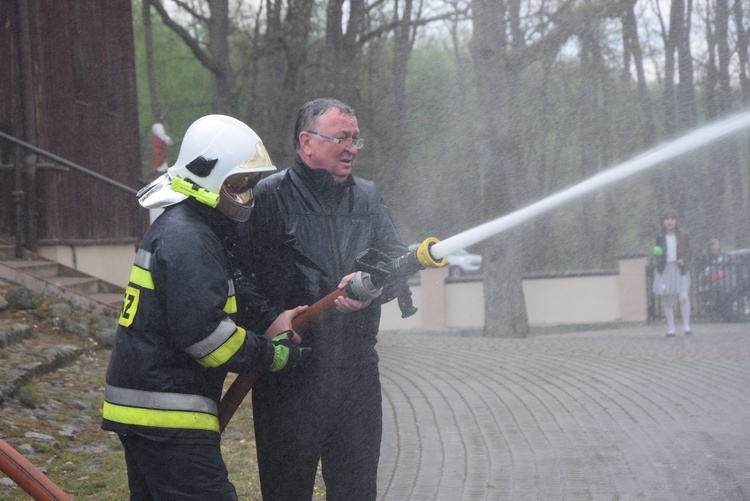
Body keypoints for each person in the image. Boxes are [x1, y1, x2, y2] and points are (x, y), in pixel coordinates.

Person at [101, 114, 310, 500]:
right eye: (237, 183)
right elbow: (206, 338)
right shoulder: (189, 238)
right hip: (167, 412)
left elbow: (225, 293)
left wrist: (270, 320)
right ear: (209, 177)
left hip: (151, 408)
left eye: (249, 184)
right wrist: (271, 355)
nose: (245, 193)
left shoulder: (193, 226)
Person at [236, 98, 409, 500]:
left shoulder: (367, 197)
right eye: (340, 138)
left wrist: (373, 290)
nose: (351, 148)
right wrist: (268, 318)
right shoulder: (269, 196)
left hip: (356, 373)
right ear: (306, 141)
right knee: (286, 489)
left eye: (355, 139)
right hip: (291, 373)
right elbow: (238, 275)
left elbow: (397, 262)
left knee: (356, 489)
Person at [652, 208, 692, 337]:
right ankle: (671, 328)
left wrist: (683, 259)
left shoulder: (683, 235)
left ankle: (686, 326)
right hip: (665, 272)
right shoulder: (660, 236)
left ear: (676, 221)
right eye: (667, 219)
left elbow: (689, 251)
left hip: (679, 270)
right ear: (663, 222)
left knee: (683, 297)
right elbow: (657, 253)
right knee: (668, 300)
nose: (670, 221)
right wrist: (657, 253)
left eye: (672, 219)